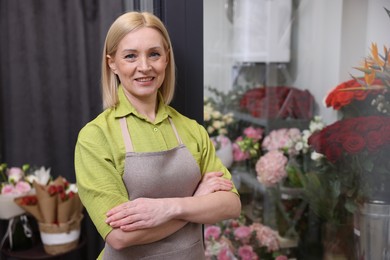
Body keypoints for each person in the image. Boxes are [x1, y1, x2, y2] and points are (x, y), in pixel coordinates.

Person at [74, 11, 241, 260]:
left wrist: (168, 208)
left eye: (154, 54)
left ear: (166, 59)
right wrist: (197, 202)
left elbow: (231, 204)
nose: (145, 67)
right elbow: (119, 236)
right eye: (130, 56)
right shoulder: (95, 137)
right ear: (112, 63)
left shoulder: (191, 129)